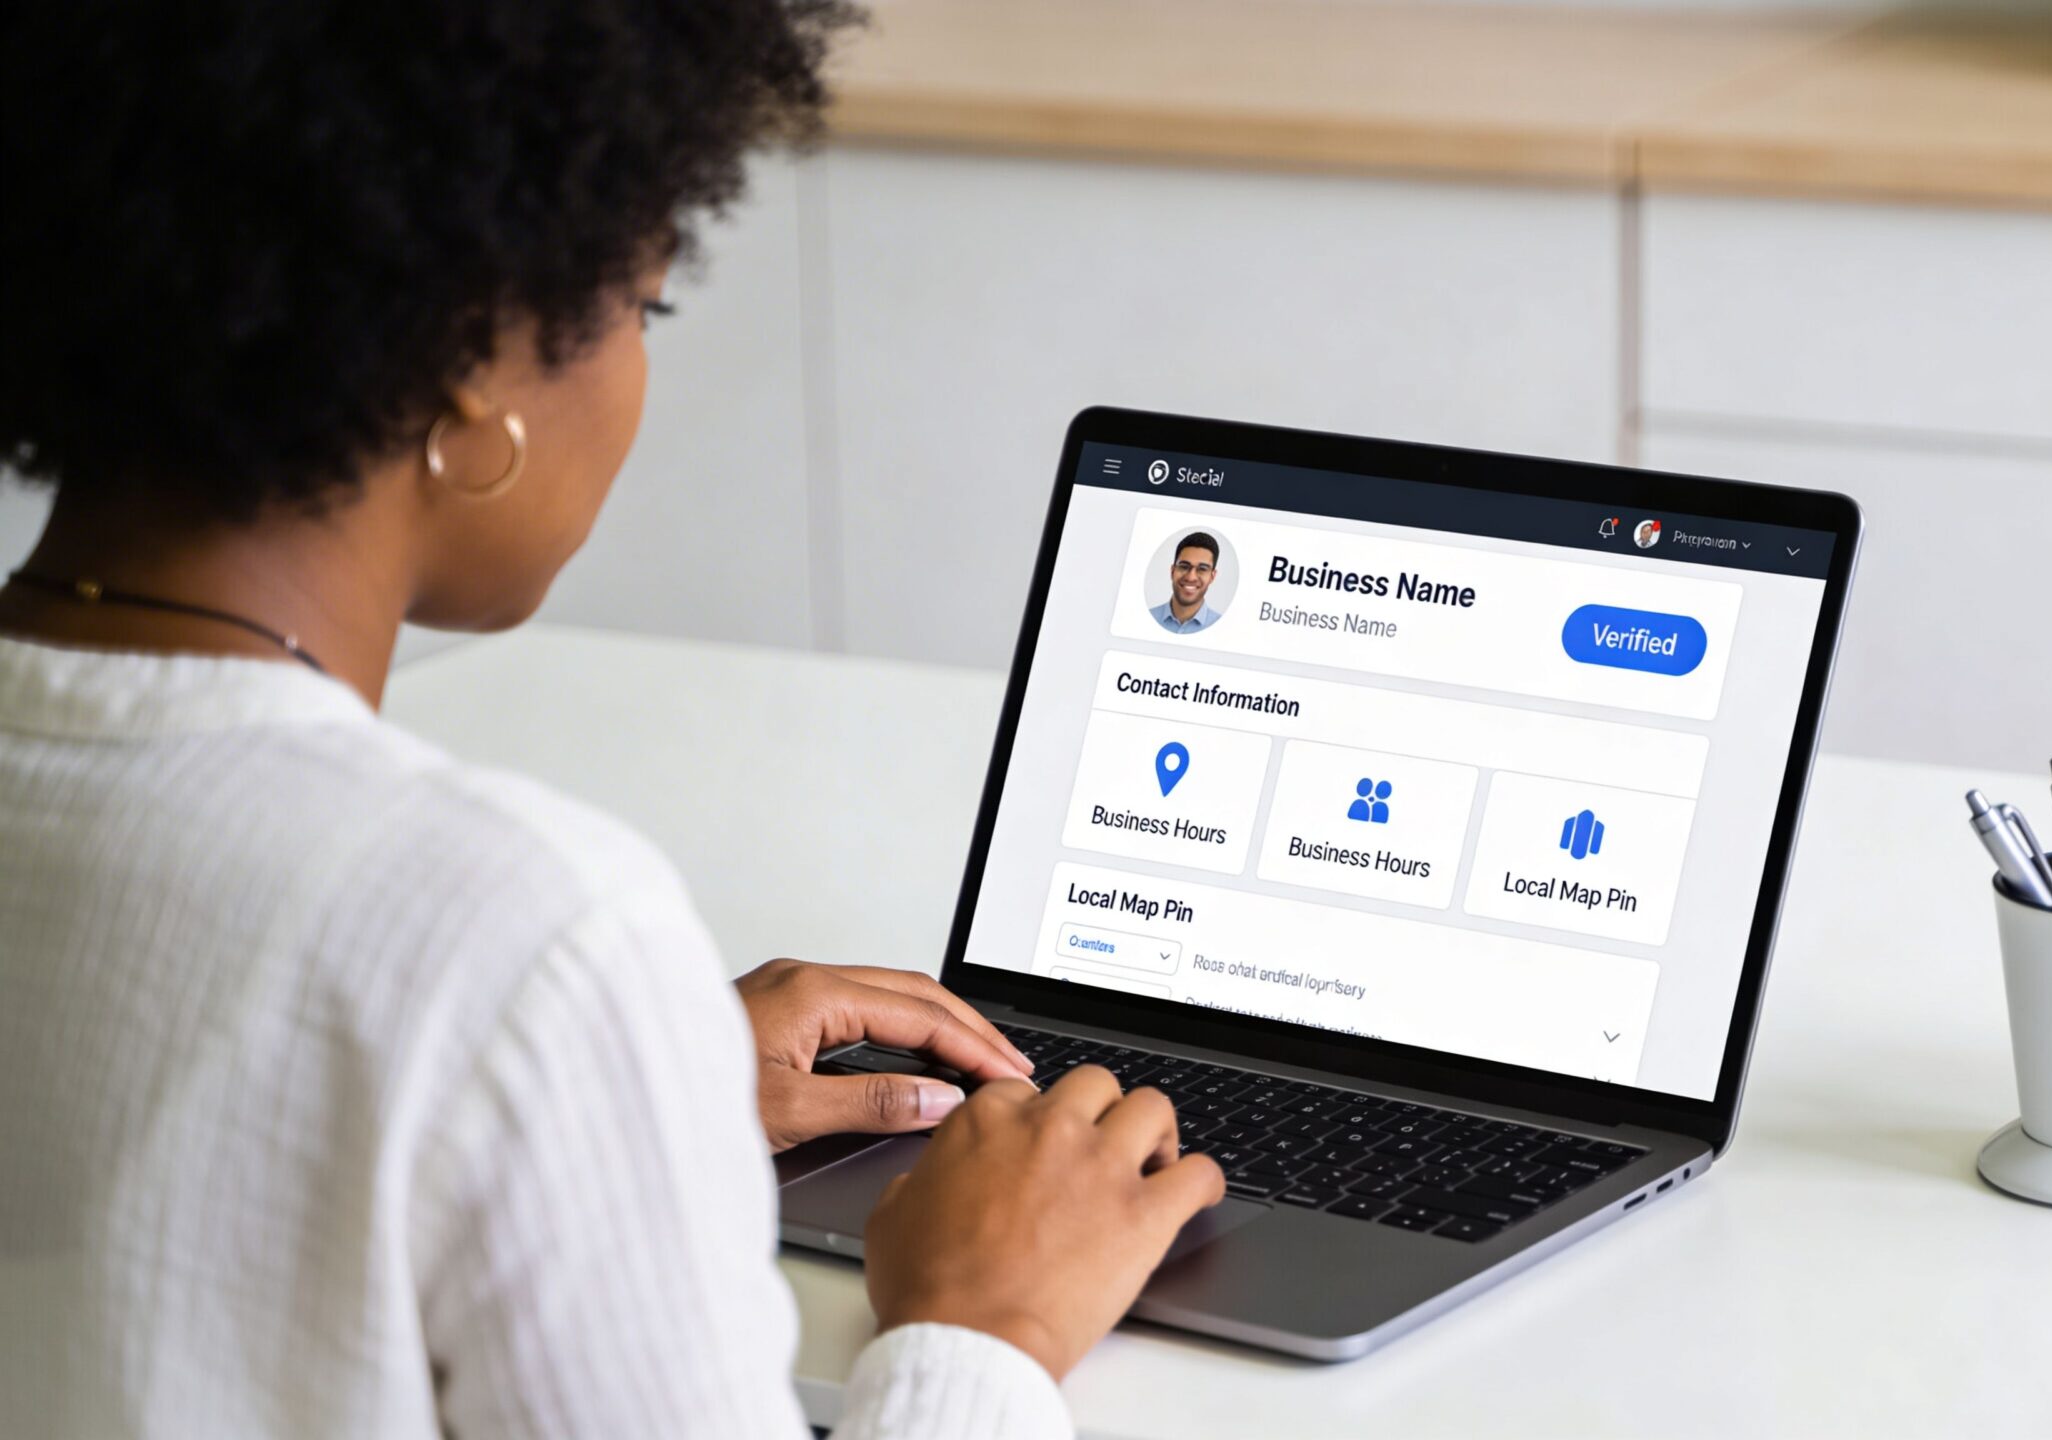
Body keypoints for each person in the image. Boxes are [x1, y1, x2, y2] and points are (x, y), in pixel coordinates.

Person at [0, 4, 1222, 1437]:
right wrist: (986, 1327)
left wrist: (604, 1106)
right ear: (476, 356)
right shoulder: (522, 940)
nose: (640, 368)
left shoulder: (504, 977)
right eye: (646, 307)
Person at [1149, 532, 1224, 634]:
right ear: (1172, 571)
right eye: (1184, 566)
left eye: (1202, 569)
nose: (1191, 577)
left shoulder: (1224, 628)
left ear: (1212, 576)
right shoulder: (1144, 617)